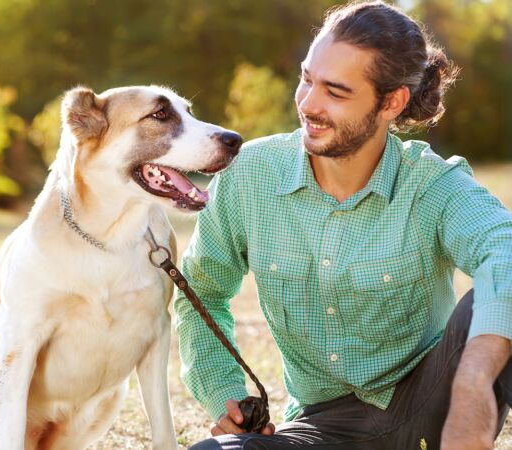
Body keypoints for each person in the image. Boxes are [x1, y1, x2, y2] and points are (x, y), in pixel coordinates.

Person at [175, 1, 512, 449]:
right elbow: (201, 292)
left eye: (336, 92)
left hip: (437, 404)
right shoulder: (248, 176)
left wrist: (472, 388)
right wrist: (226, 397)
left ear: (391, 102)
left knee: (493, 299)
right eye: (307, 79)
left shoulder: (431, 184)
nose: (309, 104)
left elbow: (503, 249)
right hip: (320, 426)